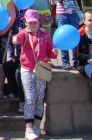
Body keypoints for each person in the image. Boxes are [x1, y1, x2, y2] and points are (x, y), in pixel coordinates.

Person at [12, 9, 56, 140]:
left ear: (39, 22)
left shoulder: (44, 35)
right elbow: (17, 39)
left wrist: (54, 53)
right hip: (27, 69)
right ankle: (28, 128)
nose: (33, 25)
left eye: (35, 22)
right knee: (30, 98)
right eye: (30, 22)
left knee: (39, 98)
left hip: (41, 69)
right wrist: (15, 39)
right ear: (26, 22)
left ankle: (37, 126)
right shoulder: (24, 33)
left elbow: (50, 52)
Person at [51, 0, 80, 69]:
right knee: (63, 36)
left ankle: (76, 59)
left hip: (73, 13)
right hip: (62, 13)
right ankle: (65, 61)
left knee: (75, 35)